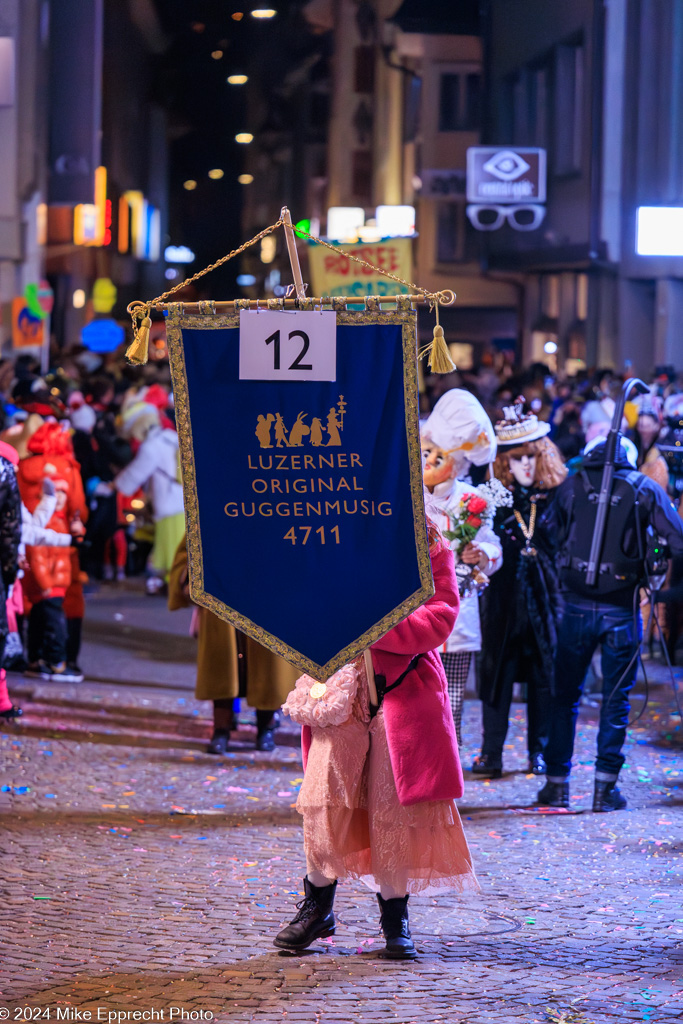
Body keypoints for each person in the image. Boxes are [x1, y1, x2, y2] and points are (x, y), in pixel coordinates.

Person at [274, 520, 478, 960]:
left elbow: (440, 616)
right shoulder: (331, 533)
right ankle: (318, 907)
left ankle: (394, 916)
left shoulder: (429, 541)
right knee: (325, 797)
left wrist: (374, 624)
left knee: (393, 804)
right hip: (340, 688)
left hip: (404, 691)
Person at [539, 433, 683, 812]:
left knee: (564, 695)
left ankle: (557, 786)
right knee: (614, 699)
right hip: (621, 608)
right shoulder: (645, 488)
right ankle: (604, 790)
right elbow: (677, 540)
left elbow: (548, 535)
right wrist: (651, 553)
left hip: (573, 606)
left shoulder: (571, 486)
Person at [473, 402, 567, 778]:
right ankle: (491, 752)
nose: (525, 466)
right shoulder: (492, 503)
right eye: (517, 460)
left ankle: (538, 752)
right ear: (504, 463)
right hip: (503, 604)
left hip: (546, 602)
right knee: (497, 676)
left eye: (531, 458)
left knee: (545, 678)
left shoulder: (558, 498)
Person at [419, 389, 502, 744]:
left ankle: (446, 765)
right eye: (426, 453)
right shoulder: (404, 494)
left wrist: (481, 553)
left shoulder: (473, 499)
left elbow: (494, 545)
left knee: (451, 699)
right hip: (416, 614)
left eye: (440, 456)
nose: (430, 462)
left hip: (457, 613)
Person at [168, 538, 297, 752]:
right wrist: (192, 580)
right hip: (221, 590)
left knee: (268, 664)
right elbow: (188, 548)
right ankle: (221, 728)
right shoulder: (211, 506)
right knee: (223, 664)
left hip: (266, 590)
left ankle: (266, 726)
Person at [113, 395, 184, 595]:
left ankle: (174, 586)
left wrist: (115, 485)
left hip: (167, 502)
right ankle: (176, 584)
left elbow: (134, 475)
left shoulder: (151, 446)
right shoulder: (170, 437)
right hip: (181, 500)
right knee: (179, 547)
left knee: (170, 549)